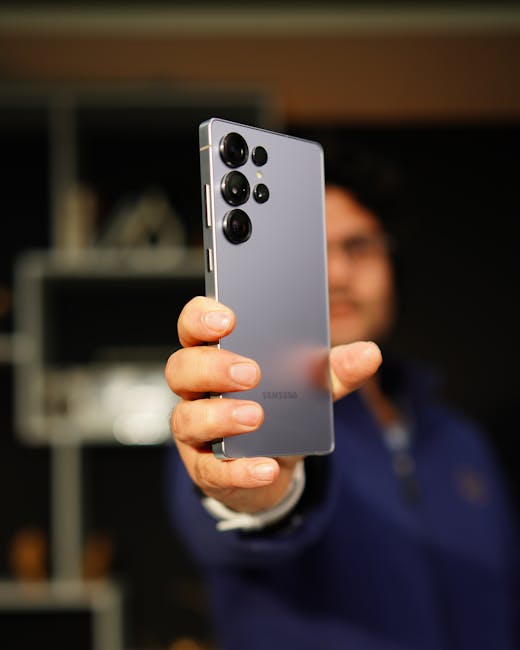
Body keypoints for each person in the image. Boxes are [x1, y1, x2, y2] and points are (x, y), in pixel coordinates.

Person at [164, 138, 519, 650]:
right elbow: (219, 524)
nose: (337, 274)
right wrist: (261, 498)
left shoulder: (462, 441)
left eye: (358, 246)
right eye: (310, 248)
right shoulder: (232, 408)